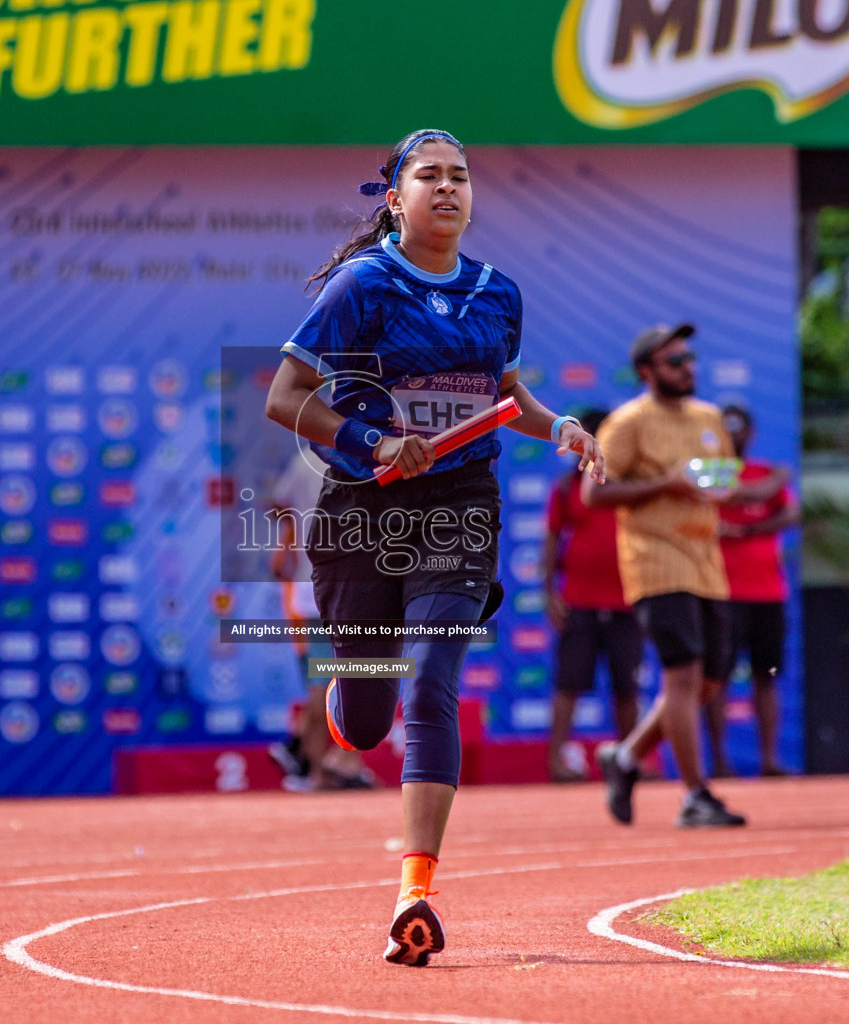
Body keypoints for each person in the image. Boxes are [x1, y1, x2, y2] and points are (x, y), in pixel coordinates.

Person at [265, 129, 604, 966]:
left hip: (461, 505)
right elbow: (285, 396)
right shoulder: (362, 285)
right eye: (430, 177)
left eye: (460, 177)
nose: (448, 189)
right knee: (370, 715)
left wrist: (554, 422)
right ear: (395, 198)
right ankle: (350, 689)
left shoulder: (498, 293)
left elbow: (504, 393)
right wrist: (373, 443)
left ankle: (415, 891)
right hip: (364, 510)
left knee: (431, 678)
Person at [583, 323, 748, 828]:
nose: (687, 367)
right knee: (683, 676)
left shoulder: (709, 417)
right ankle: (695, 795)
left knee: (709, 680)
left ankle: (625, 756)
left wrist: (718, 488)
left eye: (689, 358)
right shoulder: (627, 422)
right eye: (674, 361)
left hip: (707, 563)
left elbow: (725, 478)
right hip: (655, 561)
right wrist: (664, 485)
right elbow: (593, 494)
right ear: (647, 371)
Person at [266, 447, 382, 792]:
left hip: (311, 585)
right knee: (357, 677)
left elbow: (277, 504)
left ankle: (318, 771)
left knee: (321, 682)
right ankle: (338, 763)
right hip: (350, 585)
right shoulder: (363, 456)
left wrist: (293, 531)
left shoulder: (304, 458)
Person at [542, 407, 642, 782]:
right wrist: (549, 593)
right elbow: (552, 541)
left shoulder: (628, 486)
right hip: (578, 602)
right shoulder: (568, 487)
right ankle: (556, 762)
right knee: (567, 685)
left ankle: (630, 761)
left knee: (627, 688)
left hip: (628, 600)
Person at [703, 403, 795, 778]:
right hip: (721, 591)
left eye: (740, 429)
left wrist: (746, 530)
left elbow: (791, 514)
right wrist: (767, 487)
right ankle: (720, 761)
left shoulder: (763, 470)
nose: (734, 436)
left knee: (766, 676)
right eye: (727, 429)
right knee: (716, 679)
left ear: (751, 434)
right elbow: (737, 494)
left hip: (768, 593)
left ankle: (770, 759)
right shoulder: (707, 471)